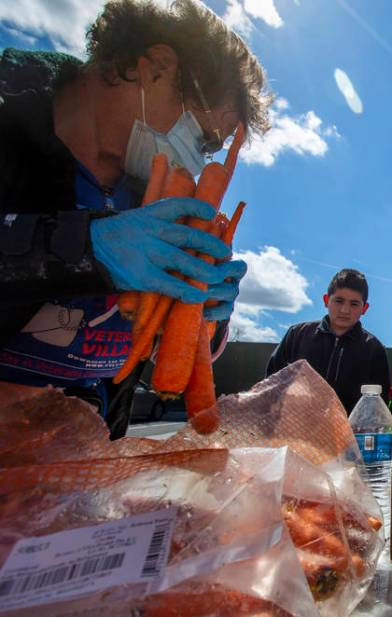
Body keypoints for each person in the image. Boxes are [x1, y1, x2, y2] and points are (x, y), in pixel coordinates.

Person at [0, 0, 271, 437]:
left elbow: (166, 345)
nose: (200, 164)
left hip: (76, 474)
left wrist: (205, 313)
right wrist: (89, 248)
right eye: (204, 140)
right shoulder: (9, 131)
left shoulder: (154, 201)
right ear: (156, 69)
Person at [266, 269, 391, 414]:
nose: (345, 310)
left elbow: (378, 407)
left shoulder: (373, 349)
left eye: (354, 304)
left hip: (348, 434)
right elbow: (271, 386)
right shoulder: (296, 335)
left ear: (364, 308)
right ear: (326, 300)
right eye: (339, 301)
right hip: (295, 432)